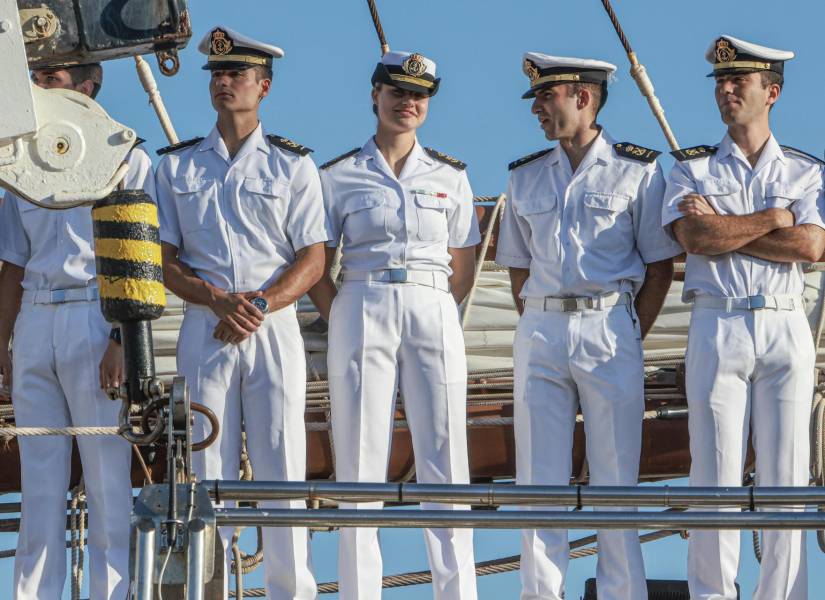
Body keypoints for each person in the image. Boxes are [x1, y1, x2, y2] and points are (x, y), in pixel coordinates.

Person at [496, 53, 681, 600]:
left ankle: (623, 593)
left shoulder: (639, 170)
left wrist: (627, 330)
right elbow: (518, 267)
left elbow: (659, 264)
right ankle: (540, 593)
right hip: (541, 327)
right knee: (537, 480)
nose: (535, 108)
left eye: (544, 96)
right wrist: (540, 318)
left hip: (610, 326)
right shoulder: (523, 173)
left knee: (616, 477)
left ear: (583, 97)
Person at [155, 26, 328, 599]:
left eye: (236, 74)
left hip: (271, 326)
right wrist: (216, 300)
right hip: (206, 326)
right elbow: (165, 261)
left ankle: (291, 592)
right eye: (217, 75)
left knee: (283, 466)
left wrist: (256, 304)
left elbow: (312, 258)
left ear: (264, 86)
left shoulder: (292, 166)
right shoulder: (175, 168)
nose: (223, 81)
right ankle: (211, 591)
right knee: (206, 473)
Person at [309, 50, 480, 600]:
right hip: (362, 299)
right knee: (360, 459)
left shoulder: (451, 175)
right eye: (398, 92)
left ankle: (457, 592)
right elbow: (318, 261)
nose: (409, 103)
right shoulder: (338, 175)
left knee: (446, 458)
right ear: (375, 97)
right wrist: (343, 314)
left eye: (419, 96)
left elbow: (464, 263)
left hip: (432, 303)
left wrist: (431, 303)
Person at [662, 35, 825, 600]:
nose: (726, 91)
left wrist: (732, 226)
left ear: (771, 92)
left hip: (784, 323)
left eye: (739, 82)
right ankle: (712, 594)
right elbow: (694, 236)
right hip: (717, 321)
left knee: (788, 476)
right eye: (720, 83)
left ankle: (785, 596)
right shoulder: (690, 168)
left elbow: (809, 247)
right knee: (712, 475)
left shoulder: (807, 171)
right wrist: (772, 219)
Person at [0, 62, 154, 599]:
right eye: (35, 75)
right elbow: (13, 264)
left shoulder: (127, 157)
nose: (37, 84)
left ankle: (111, 593)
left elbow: (136, 258)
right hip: (36, 317)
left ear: (87, 86)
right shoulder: (18, 164)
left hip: (96, 311)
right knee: (39, 476)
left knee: (107, 473)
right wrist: (3, 343)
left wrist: (120, 339)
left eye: (52, 76)